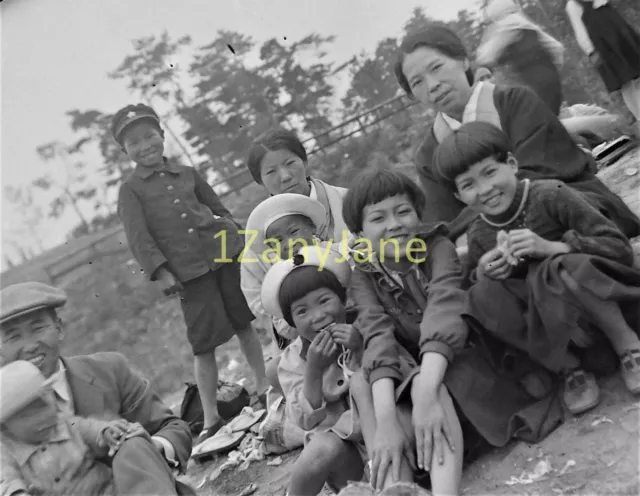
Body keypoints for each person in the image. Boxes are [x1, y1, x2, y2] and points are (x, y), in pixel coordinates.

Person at [343, 169, 562, 494]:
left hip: (463, 358)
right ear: (360, 232)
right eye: (378, 218)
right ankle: (397, 488)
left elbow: (443, 310)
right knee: (392, 413)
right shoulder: (363, 274)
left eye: (403, 211)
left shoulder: (437, 248)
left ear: (418, 214)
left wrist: (427, 391)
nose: (394, 225)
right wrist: (387, 422)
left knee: (422, 386)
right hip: (415, 375)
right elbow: (377, 336)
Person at [432, 121, 640, 414]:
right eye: (468, 185)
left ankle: (628, 345)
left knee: (558, 268)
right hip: (557, 330)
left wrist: (553, 247)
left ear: (512, 164)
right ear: (458, 197)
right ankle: (571, 368)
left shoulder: (550, 195)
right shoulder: (480, 233)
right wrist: (486, 273)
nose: (485, 189)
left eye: (490, 172)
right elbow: (494, 295)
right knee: (482, 294)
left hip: (602, 300)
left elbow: (617, 246)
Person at [394, 24, 640, 241]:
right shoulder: (428, 153)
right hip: (493, 235)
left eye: (436, 67)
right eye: (417, 82)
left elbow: (545, 172)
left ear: (463, 60)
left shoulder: (515, 101)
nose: (432, 85)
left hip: (567, 206)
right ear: (411, 95)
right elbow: (446, 221)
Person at [113, 103, 268, 445]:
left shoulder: (187, 173)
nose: (145, 145)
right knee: (203, 345)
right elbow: (139, 239)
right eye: (135, 142)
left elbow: (217, 209)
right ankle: (211, 417)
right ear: (125, 151)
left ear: (162, 136)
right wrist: (162, 272)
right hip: (189, 275)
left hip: (224, 257)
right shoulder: (131, 190)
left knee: (244, 323)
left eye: (150, 136)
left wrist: (235, 238)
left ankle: (264, 387)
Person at [0, 282, 195, 495]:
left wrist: (146, 448)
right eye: (13, 337)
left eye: (37, 328)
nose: (30, 345)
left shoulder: (109, 370)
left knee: (132, 446)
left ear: (59, 328)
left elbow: (173, 427)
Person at [261, 246, 372, 496]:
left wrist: (359, 349)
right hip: (350, 465)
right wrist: (313, 369)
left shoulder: (365, 326)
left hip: (389, 438)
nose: (318, 316)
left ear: (343, 298)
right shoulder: (293, 360)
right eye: (302, 311)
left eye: (324, 301)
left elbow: (389, 379)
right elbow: (304, 420)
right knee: (323, 447)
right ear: (291, 323)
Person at [0, 360, 157, 496]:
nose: (41, 420)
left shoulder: (67, 423)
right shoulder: (6, 452)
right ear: (6, 428)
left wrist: (105, 432)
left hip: (103, 490)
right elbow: (6, 480)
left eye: (45, 407)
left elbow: (88, 427)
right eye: (26, 417)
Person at [242, 193, 344, 391]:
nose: (289, 243)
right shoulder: (278, 279)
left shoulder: (335, 253)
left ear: (312, 228)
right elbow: (280, 322)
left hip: (347, 326)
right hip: (308, 342)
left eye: (294, 232)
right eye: (278, 240)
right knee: (275, 371)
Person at [477, 0, 565, 115]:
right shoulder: (527, 26)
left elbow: (485, 56)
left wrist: (489, 31)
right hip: (552, 78)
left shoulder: (507, 27)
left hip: (534, 85)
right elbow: (557, 48)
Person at [566, 0, 640, 134]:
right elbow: (580, 31)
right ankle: (639, 117)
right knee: (626, 84)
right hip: (606, 48)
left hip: (622, 38)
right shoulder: (573, 5)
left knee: (636, 80)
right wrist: (591, 51)